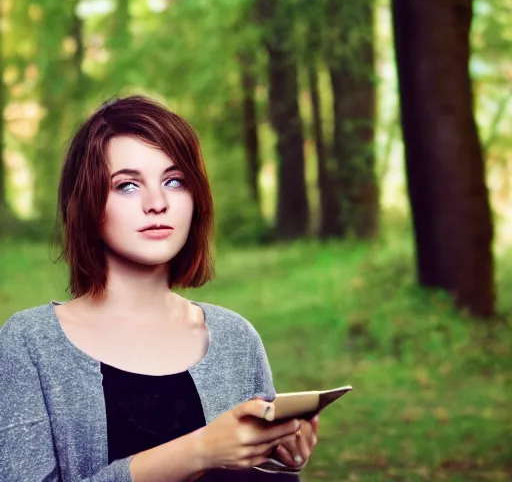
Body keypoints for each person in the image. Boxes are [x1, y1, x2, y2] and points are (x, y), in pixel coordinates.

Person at [0, 95, 319, 482]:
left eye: (174, 181)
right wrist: (198, 450)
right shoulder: (29, 343)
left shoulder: (237, 338)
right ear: (85, 202)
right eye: (128, 185)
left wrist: (278, 460)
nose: (157, 203)